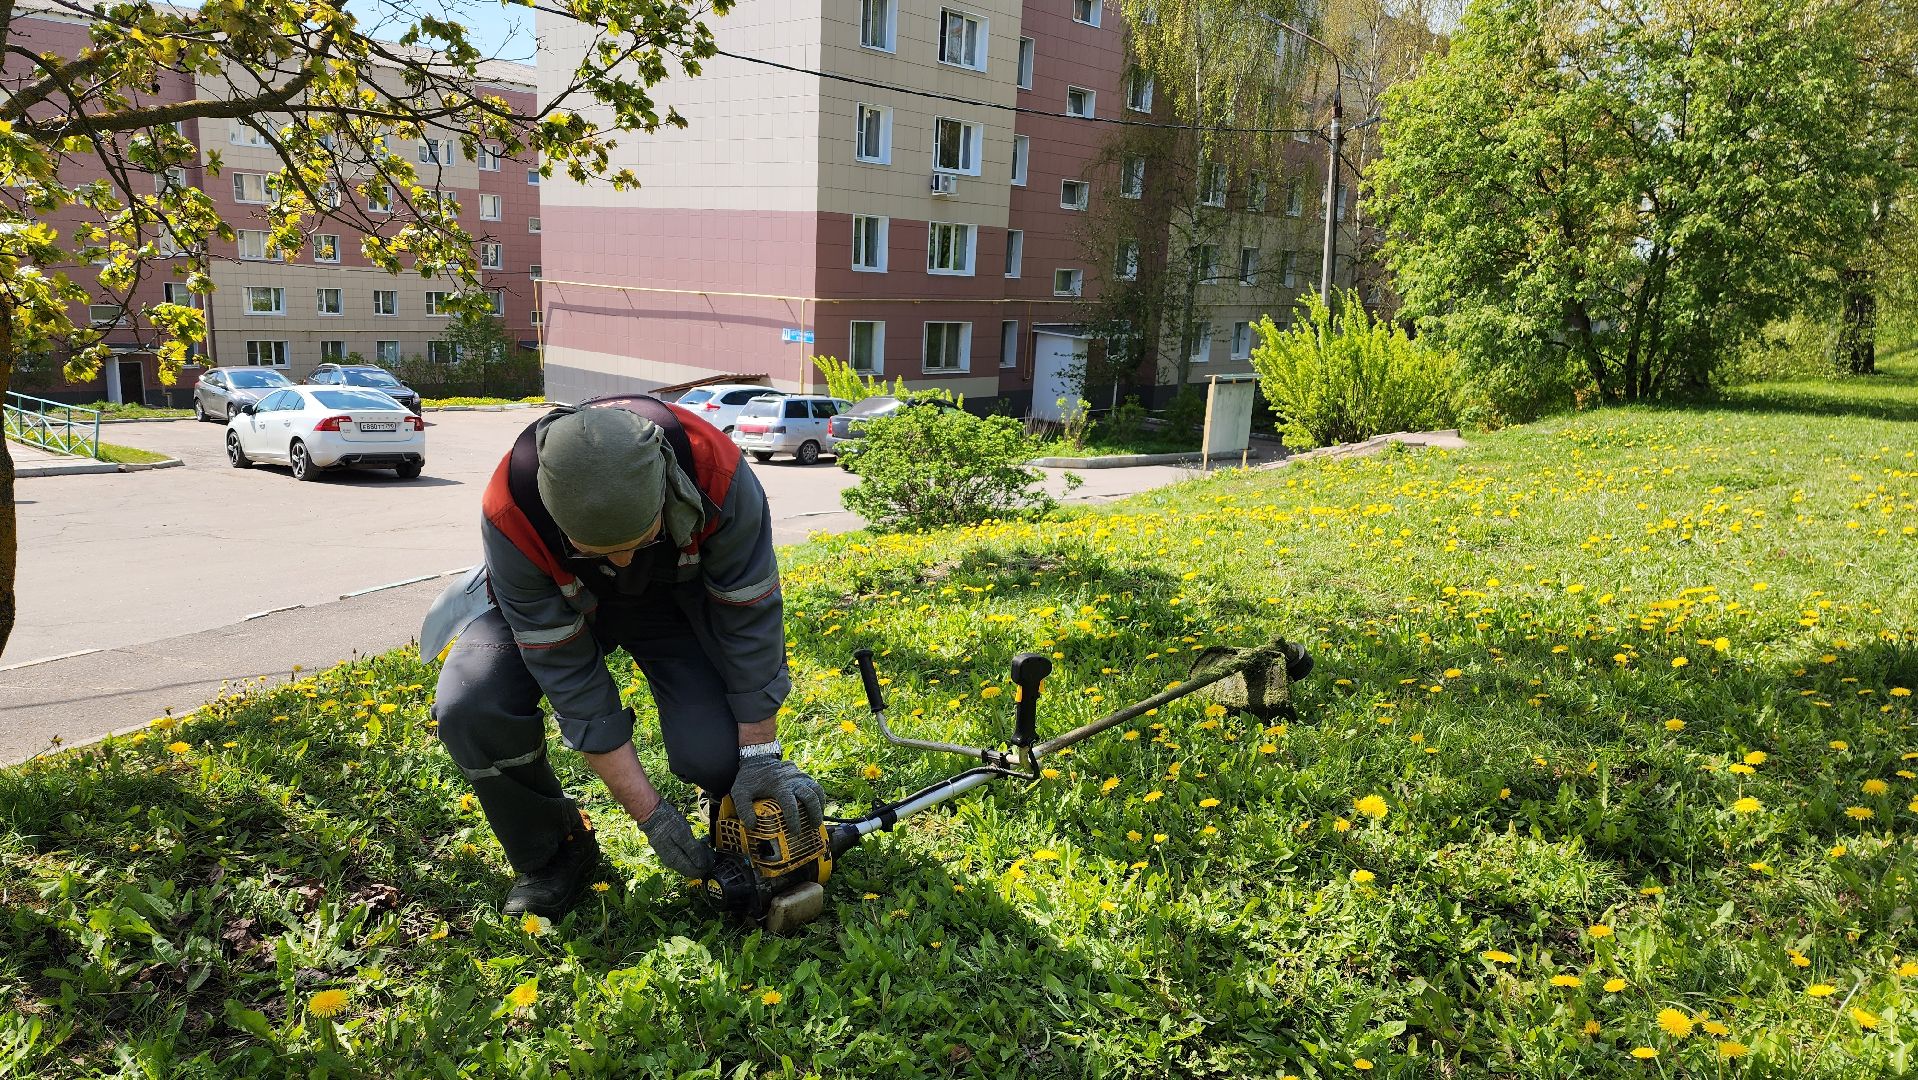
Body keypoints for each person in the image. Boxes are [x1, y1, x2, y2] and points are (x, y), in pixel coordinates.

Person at [423, 395, 826, 917]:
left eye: (640, 539)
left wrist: (759, 757)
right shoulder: (510, 511)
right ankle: (555, 851)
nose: (620, 561)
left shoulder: (716, 473)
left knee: (719, 755)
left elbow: (749, 621)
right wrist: (651, 816)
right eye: (597, 550)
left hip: (672, 599)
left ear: (666, 492)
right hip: (557, 600)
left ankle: (734, 801)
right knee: (471, 705)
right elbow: (571, 680)